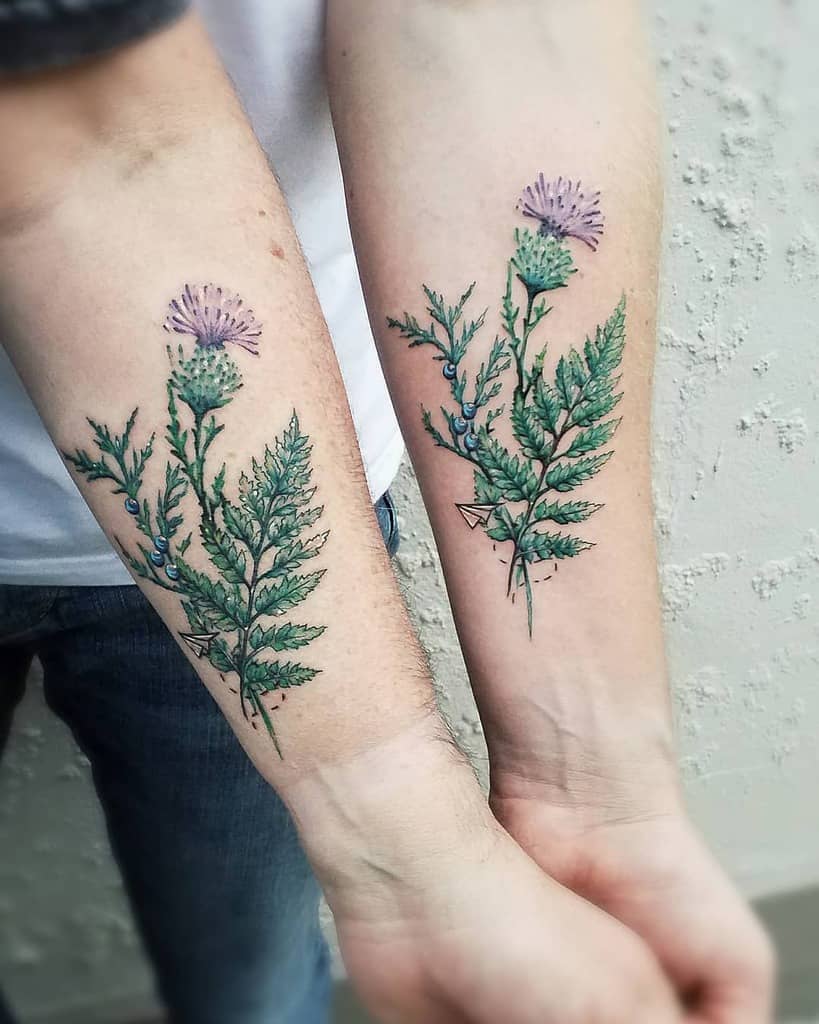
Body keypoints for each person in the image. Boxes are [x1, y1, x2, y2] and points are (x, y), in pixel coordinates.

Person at [0, 2, 775, 1022]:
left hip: (280, 548)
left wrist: (592, 786)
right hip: (253, 505)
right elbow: (86, 134)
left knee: (258, 973)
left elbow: (505, 29)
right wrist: (410, 836)